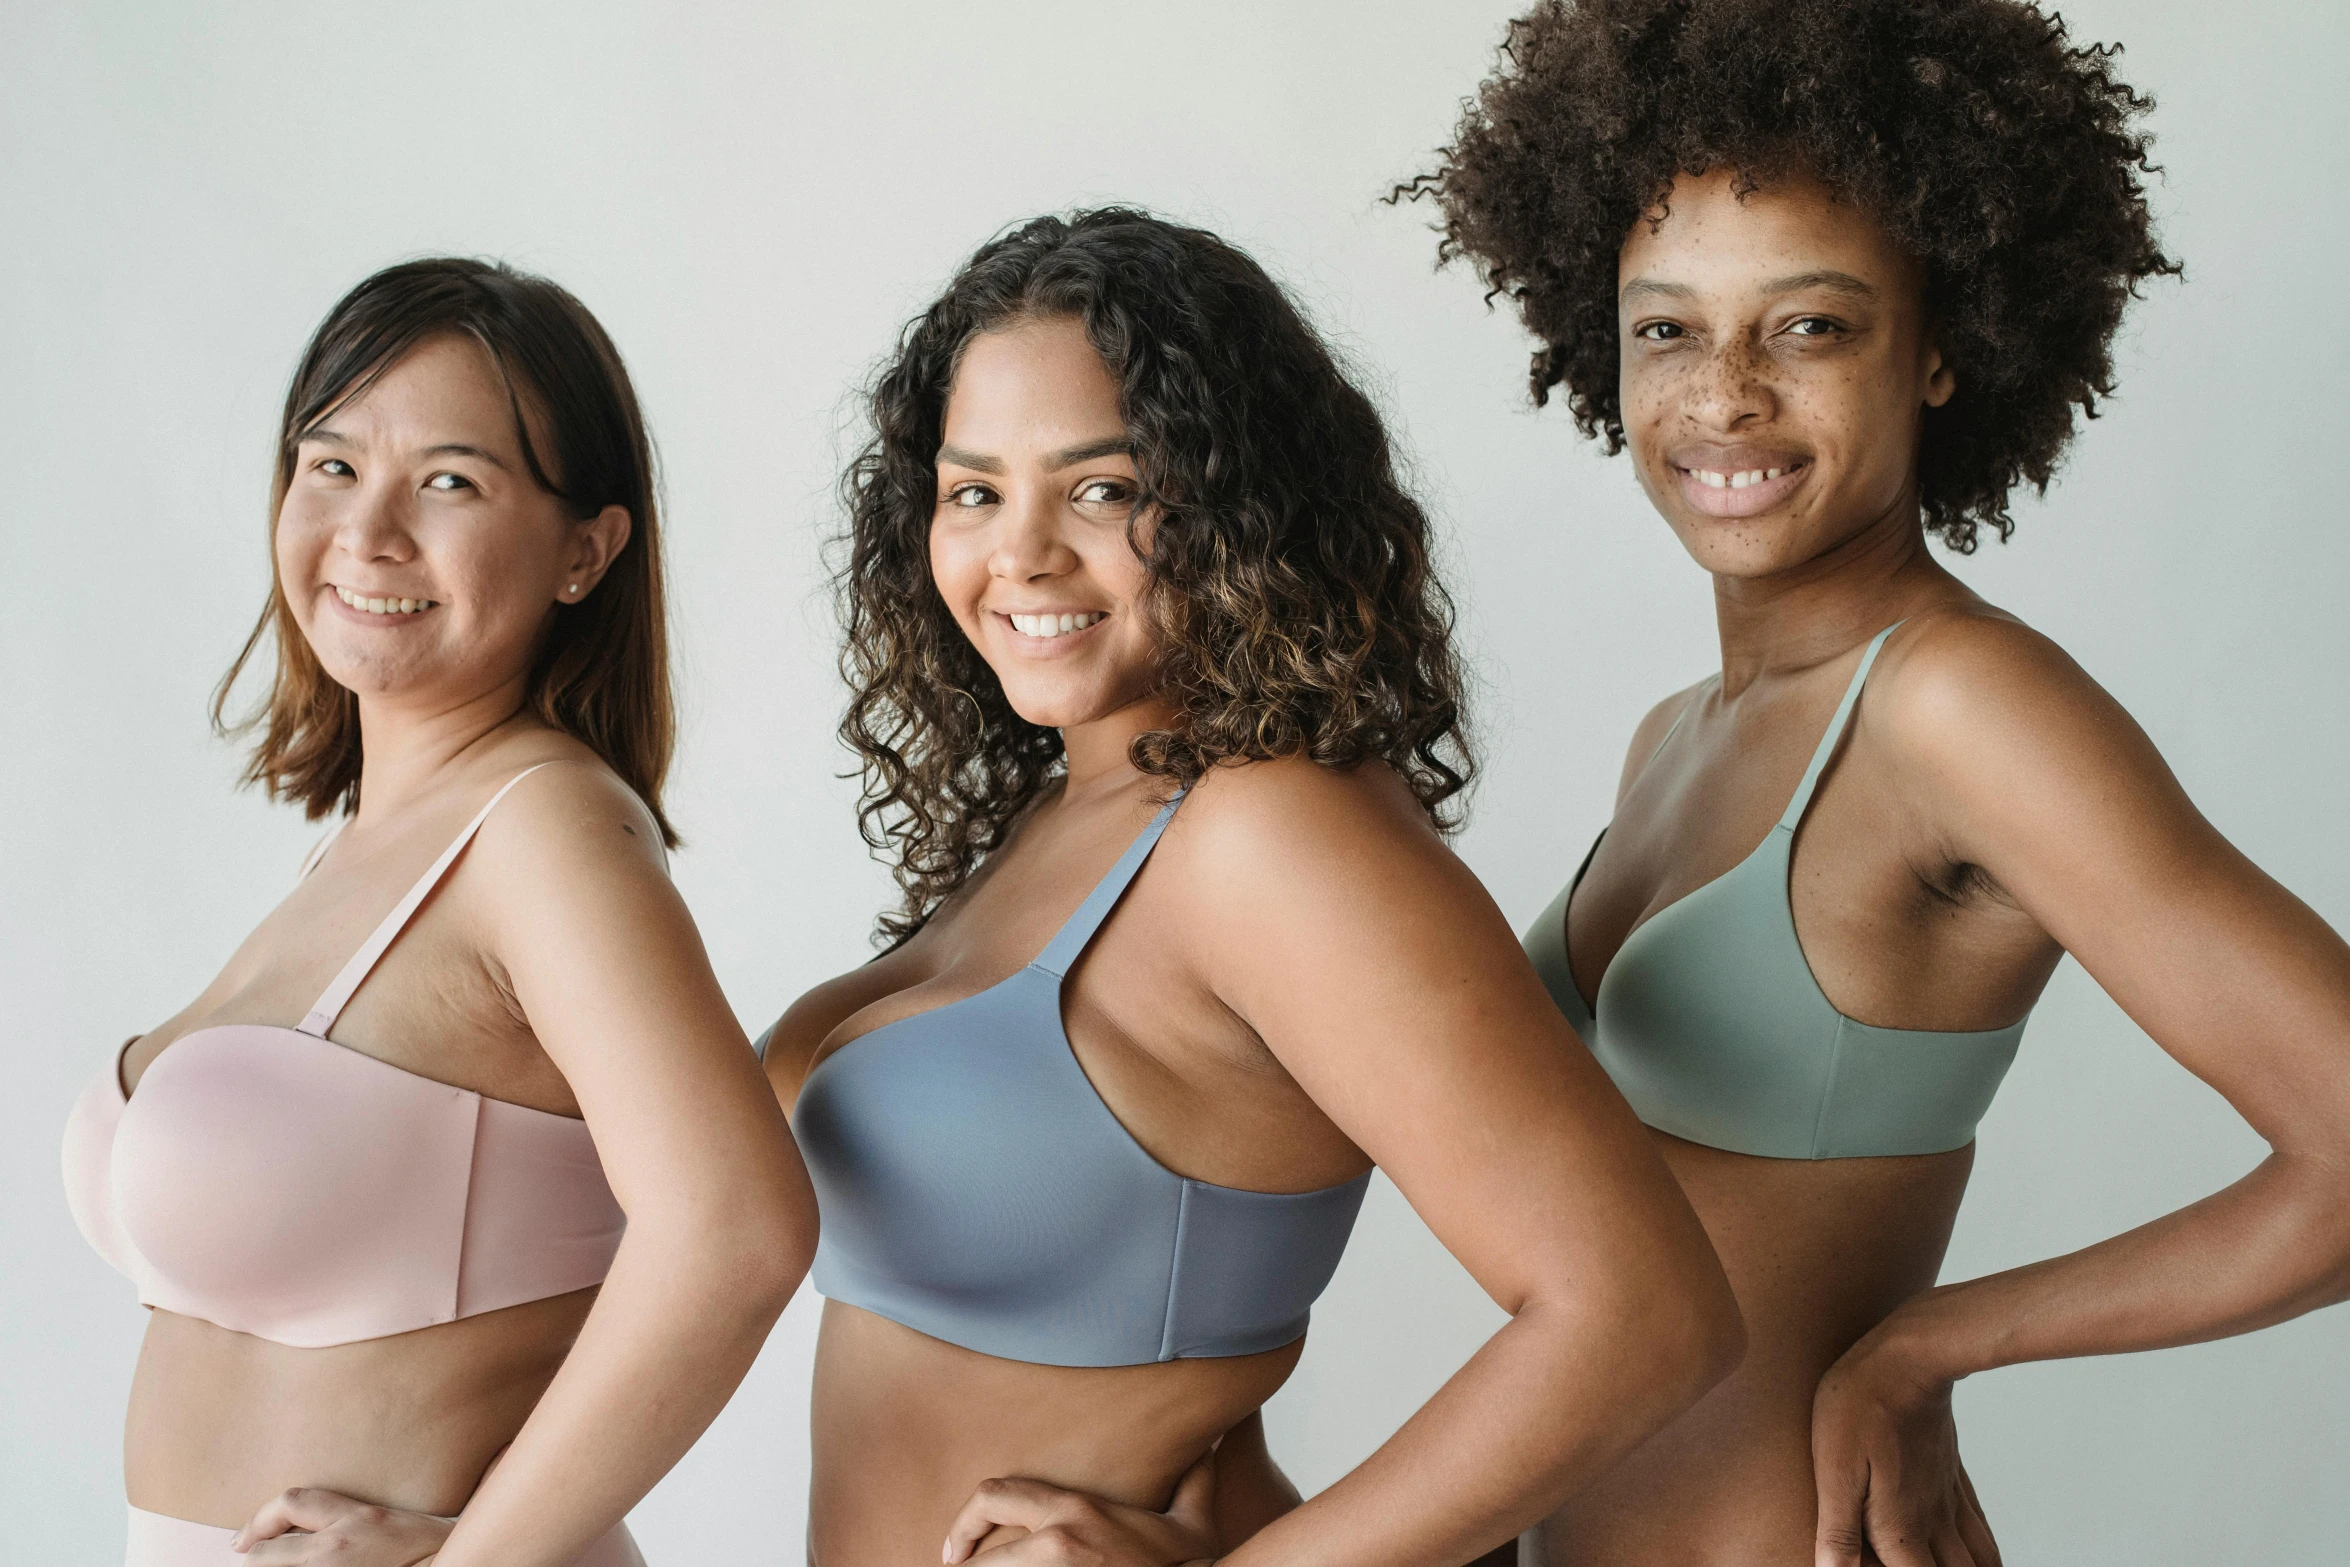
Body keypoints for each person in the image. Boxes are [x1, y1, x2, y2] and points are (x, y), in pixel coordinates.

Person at [1402, 2, 2350, 1562]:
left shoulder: (1959, 706)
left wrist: (1923, 1350)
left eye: (1809, 325)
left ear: (1940, 350)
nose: (1721, 396)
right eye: (1665, 327)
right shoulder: (1674, 735)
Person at [754, 208, 1743, 1567]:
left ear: (1234, 504)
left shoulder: (1268, 835)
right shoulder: (1071, 807)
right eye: (974, 490)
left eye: (1102, 489)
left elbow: (1639, 1314)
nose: (1021, 553)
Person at [61, 259, 816, 1567]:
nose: (367, 531)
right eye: (331, 463)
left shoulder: (541, 828)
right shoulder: (368, 850)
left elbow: (738, 1228)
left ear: (586, 548)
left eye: (451, 480)